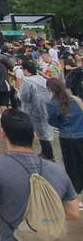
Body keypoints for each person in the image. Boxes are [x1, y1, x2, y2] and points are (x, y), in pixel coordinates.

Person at [0, 109, 79, 240]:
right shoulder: (57, 170)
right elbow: (73, 213)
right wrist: (44, 218)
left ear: (3, 134)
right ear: (34, 135)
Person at [46, 78, 83, 208]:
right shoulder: (75, 99)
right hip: (81, 135)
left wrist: (62, 125)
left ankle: (77, 199)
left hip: (67, 138)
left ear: (50, 89)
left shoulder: (53, 103)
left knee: (72, 168)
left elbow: (51, 121)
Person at [18, 59, 54, 161]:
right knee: (43, 132)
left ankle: (49, 155)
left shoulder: (27, 81)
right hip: (45, 108)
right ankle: (45, 152)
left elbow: (24, 97)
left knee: (38, 133)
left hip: (33, 110)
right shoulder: (42, 79)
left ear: (26, 70)